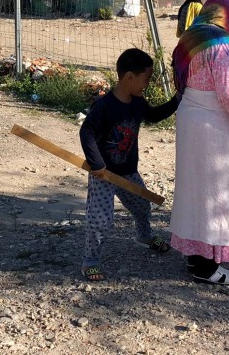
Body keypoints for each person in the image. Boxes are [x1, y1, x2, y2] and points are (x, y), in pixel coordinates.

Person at [169, 0, 229, 286]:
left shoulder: (189, 39)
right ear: (227, 17)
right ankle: (208, 265)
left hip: (191, 121)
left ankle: (196, 255)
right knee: (217, 192)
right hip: (215, 127)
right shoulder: (222, 46)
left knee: (195, 190)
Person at [79, 48, 179, 282]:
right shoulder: (104, 106)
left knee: (142, 207)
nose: (147, 84)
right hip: (104, 174)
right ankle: (90, 261)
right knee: (100, 219)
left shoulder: (137, 102)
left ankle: (144, 236)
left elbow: (153, 116)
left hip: (128, 172)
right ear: (129, 77)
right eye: (145, 79)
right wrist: (97, 164)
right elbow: (87, 133)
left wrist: (176, 101)